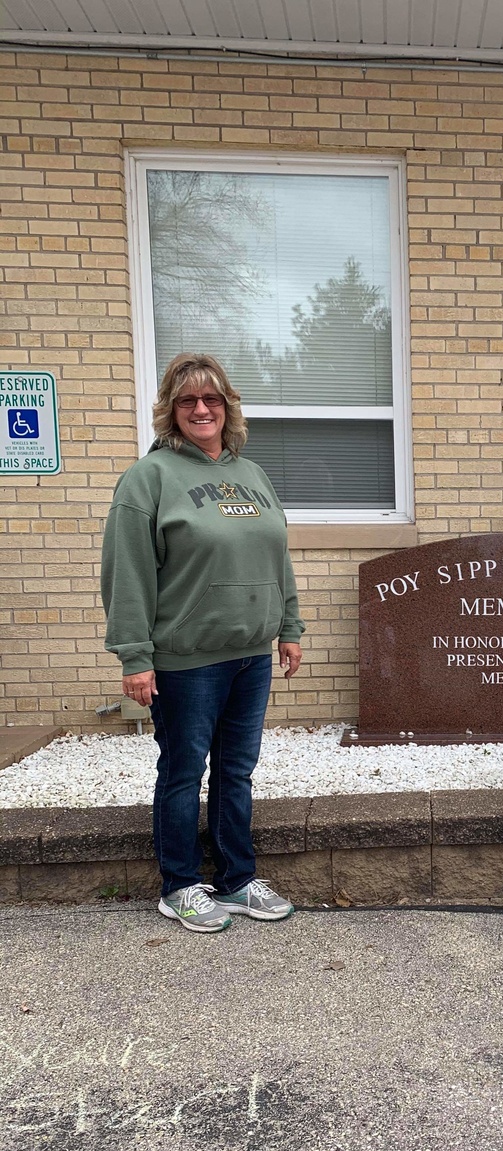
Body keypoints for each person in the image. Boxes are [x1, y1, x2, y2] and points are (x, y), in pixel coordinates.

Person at [101, 352, 305, 934]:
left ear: (227, 407)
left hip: (250, 657)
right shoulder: (151, 478)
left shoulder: (252, 474)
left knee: (237, 772)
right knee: (184, 770)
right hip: (186, 662)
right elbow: (127, 574)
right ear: (170, 410)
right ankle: (181, 885)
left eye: (211, 398)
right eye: (187, 399)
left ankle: (238, 880)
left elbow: (277, 556)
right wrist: (135, 658)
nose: (200, 408)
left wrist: (288, 627)